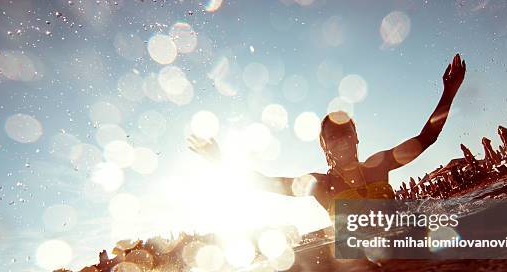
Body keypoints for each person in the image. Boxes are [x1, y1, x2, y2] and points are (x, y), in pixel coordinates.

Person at [188, 54, 466, 216]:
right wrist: (219, 161)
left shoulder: (380, 164)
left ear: (356, 137)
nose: (342, 140)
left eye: (346, 134)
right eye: (333, 137)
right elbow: (263, 183)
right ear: (325, 147)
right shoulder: (320, 185)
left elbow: (426, 138)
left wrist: (449, 92)